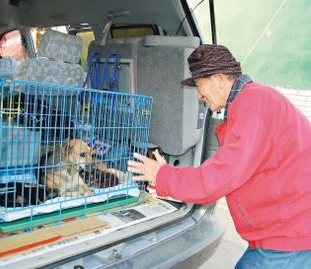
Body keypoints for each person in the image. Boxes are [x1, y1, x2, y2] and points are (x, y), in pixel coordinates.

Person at [127, 44, 311, 268]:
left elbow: (220, 176)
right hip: (286, 230)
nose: (199, 95)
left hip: (289, 234)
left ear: (219, 79)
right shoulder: (254, 101)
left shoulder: (253, 104)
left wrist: (163, 176)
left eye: (199, 85)